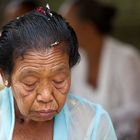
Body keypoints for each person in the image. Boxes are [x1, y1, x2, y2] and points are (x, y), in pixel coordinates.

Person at [0, 5, 117, 140]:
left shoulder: (93, 124)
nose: (46, 96)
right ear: (5, 75)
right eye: (30, 83)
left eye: (59, 80)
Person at [59, 0, 140, 139]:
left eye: (67, 28)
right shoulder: (75, 63)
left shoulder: (126, 58)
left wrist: (96, 118)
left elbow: (136, 108)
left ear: (87, 28)